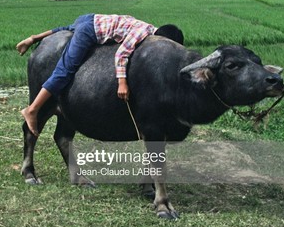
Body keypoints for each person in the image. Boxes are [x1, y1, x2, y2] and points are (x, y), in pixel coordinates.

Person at [18, 13, 181, 136]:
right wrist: (122, 82)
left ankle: (33, 38)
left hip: (90, 18)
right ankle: (32, 110)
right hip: (90, 29)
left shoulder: (148, 29)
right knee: (64, 70)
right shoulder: (142, 34)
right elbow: (121, 54)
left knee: (66, 29)